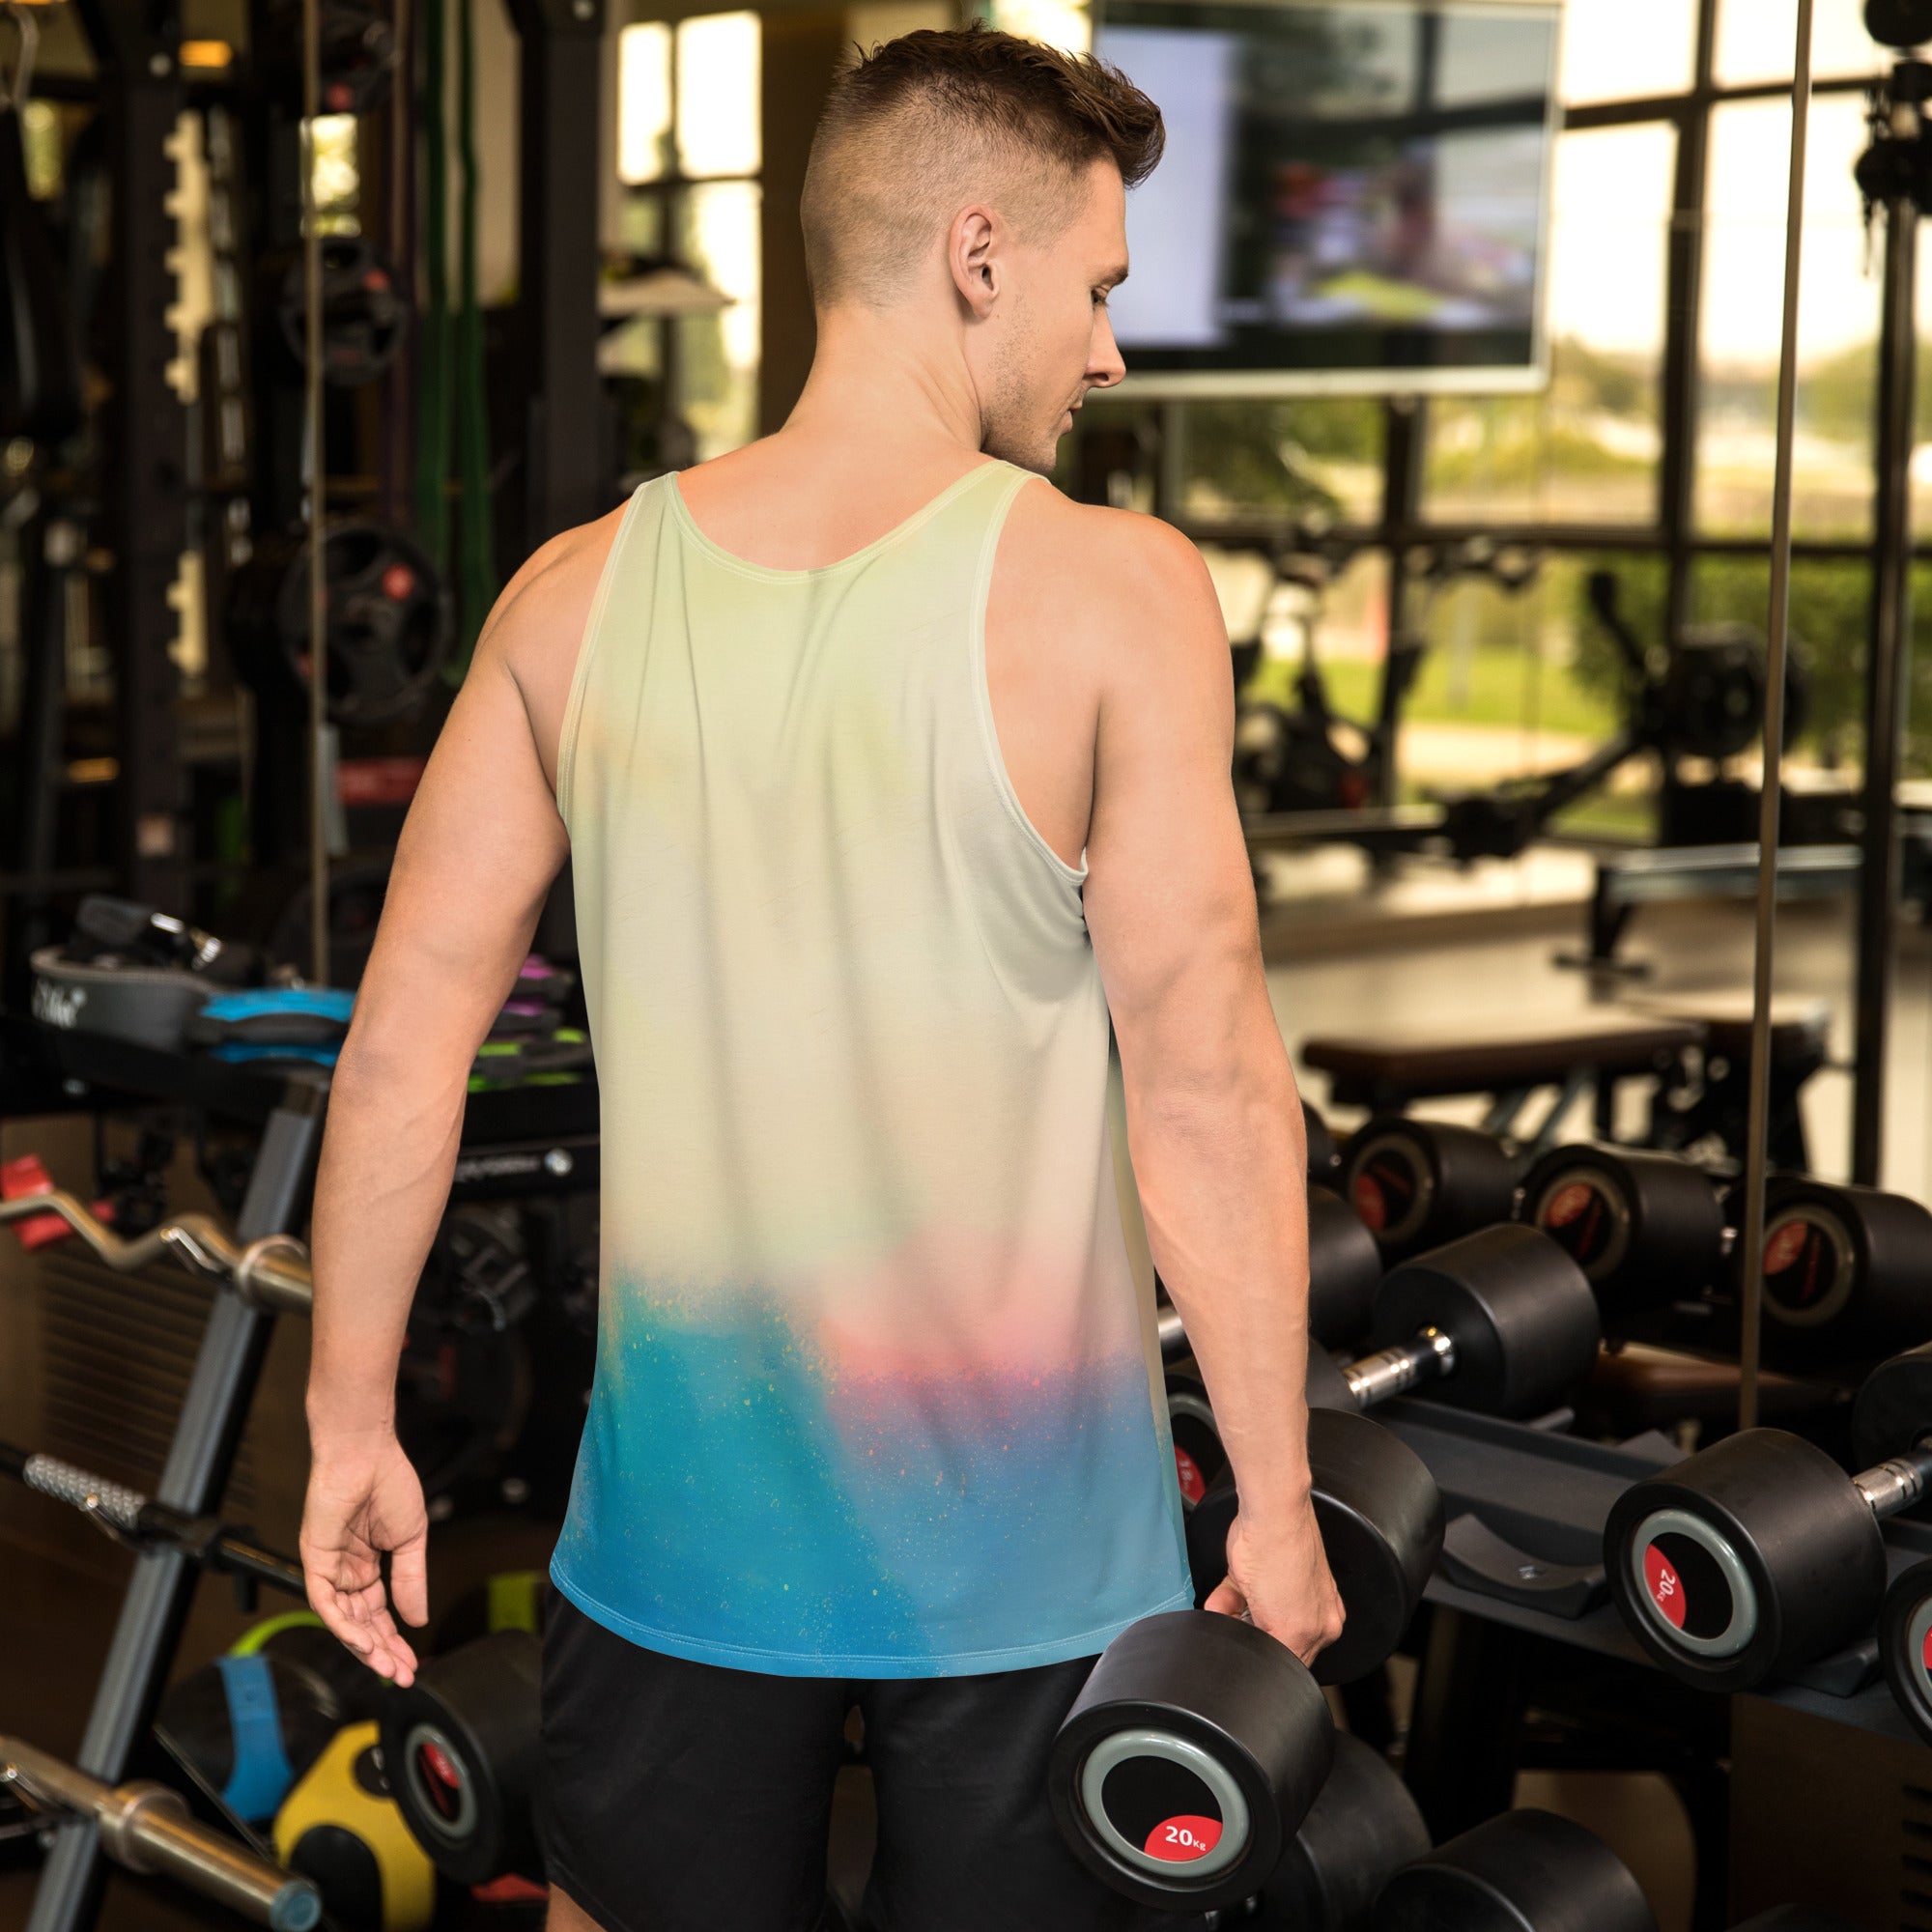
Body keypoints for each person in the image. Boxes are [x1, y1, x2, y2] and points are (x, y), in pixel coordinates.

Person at [298, 24, 1341, 1932]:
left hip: (671, 1551)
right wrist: (1271, 1506)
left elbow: (398, 1053)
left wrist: (349, 1421)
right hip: (1029, 1568)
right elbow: (1207, 1087)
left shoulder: (569, 595)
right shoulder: (1118, 593)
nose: (1104, 351)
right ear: (977, 253)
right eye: (1096, 290)